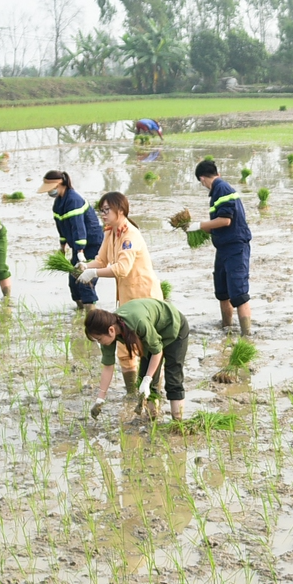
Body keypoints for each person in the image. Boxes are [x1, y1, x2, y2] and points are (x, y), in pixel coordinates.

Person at [76, 191, 157, 389]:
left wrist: (94, 273)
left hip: (144, 296)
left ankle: (153, 391)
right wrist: (86, 266)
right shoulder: (110, 232)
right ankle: (131, 394)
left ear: (120, 211)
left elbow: (121, 268)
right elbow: (102, 260)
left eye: (106, 210)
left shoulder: (130, 235)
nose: (103, 214)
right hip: (126, 299)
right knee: (124, 349)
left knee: (147, 346)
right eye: (101, 211)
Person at [178, 159, 253, 336]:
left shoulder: (222, 189)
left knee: (239, 293)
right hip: (224, 248)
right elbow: (222, 224)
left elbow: (226, 220)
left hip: (235, 248)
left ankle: (247, 335)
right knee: (223, 292)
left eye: (201, 182)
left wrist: (200, 226)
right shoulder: (219, 190)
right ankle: (226, 329)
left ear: (202, 179)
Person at [85, 298, 189, 421]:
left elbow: (157, 351)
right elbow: (108, 367)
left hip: (173, 327)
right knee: (144, 375)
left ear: (111, 330)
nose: (99, 342)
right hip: (151, 334)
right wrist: (100, 398)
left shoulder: (138, 322)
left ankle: (178, 421)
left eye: (99, 339)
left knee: (173, 375)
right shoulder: (107, 333)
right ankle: (151, 416)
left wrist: (148, 379)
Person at [39, 170, 103, 310]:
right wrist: (62, 247)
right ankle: (81, 315)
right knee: (73, 281)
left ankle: (92, 316)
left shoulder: (74, 200)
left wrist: (80, 253)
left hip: (91, 243)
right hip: (77, 245)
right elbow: (62, 227)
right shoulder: (58, 204)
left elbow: (78, 228)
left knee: (84, 279)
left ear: (59, 184)